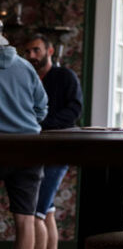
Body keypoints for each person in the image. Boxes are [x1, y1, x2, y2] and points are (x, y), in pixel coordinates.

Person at [23, 34, 83, 249]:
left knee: (36, 211)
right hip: (34, 149)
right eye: (28, 51)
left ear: (49, 51)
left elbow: (75, 110)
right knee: (47, 210)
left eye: (36, 50)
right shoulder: (27, 79)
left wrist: (43, 124)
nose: (31, 55)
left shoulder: (65, 76)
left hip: (59, 149)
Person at [0, 24, 48, 249]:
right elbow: (41, 107)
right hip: (29, 147)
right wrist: (24, 123)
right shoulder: (25, 67)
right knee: (25, 219)